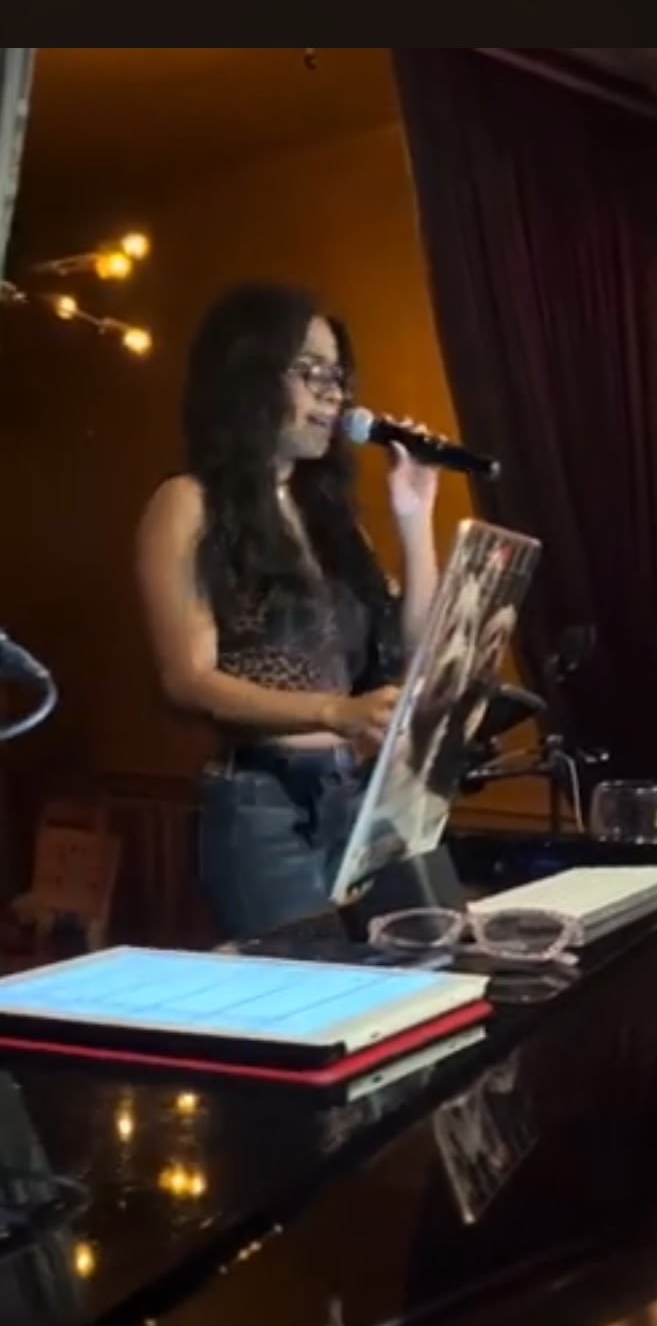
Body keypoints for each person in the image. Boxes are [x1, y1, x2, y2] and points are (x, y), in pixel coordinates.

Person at [135, 283, 441, 940]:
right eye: (310, 371)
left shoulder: (328, 518)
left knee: (421, 980)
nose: (333, 393)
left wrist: (415, 519)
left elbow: (417, 653)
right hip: (262, 807)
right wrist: (333, 711)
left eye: (338, 375)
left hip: (359, 798)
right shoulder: (187, 503)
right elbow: (188, 678)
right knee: (321, 1006)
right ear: (247, 376)